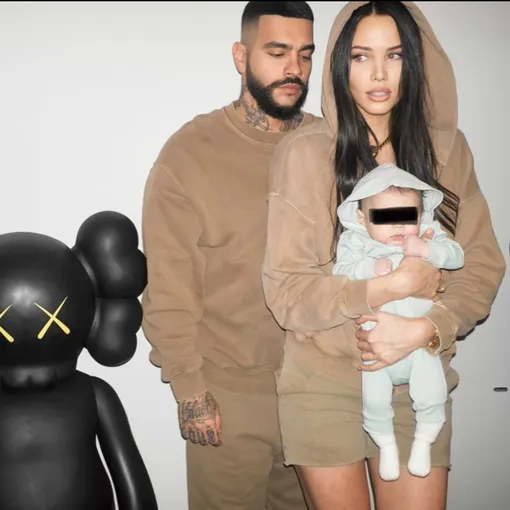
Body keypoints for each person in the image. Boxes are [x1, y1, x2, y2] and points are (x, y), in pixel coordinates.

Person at [261, 2, 506, 510]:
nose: (378, 73)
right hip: (323, 385)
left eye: (393, 55)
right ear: (340, 65)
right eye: (360, 56)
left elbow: (482, 264)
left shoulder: (447, 150)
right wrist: (386, 288)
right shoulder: (305, 153)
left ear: (413, 60)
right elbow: (288, 291)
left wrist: (428, 327)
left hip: (420, 380)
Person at [141, 2, 319, 509]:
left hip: (320, 394)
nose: (294, 69)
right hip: (228, 398)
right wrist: (190, 391)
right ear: (241, 57)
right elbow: (169, 288)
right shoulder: (189, 154)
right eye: (277, 52)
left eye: (305, 54)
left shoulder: (331, 145)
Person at [332, 163, 465, 482]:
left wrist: (428, 249)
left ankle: (424, 441)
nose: (398, 227)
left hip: (420, 344)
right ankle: (386, 445)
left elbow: (457, 255)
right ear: (362, 218)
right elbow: (340, 272)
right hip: (374, 346)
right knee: (374, 398)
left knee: (432, 390)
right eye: (384, 217)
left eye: (408, 216)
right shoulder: (357, 241)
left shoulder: (428, 234)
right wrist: (369, 267)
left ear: (421, 215)